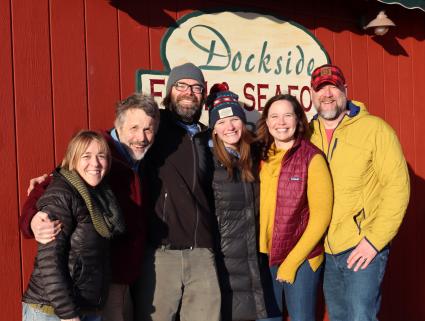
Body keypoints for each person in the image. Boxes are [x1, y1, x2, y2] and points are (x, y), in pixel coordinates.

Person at [19, 93, 160, 321]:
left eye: (148, 129)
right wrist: (32, 220)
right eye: (134, 128)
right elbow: (48, 187)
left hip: (112, 284)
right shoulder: (97, 152)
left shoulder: (147, 160)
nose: (141, 137)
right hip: (81, 291)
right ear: (119, 126)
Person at [309, 64, 410, 321]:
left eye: (333, 86)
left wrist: (374, 240)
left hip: (361, 245)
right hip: (325, 249)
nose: (328, 93)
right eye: (321, 88)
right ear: (312, 94)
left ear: (345, 89)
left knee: (360, 317)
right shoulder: (307, 134)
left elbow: (397, 187)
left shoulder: (375, 129)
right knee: (339, 317)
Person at [132, 62, 221, 321]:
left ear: (203, 96)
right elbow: (108, 147)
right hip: (162, 253)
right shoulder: (154, 127)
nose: (188, 92)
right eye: (181, 85)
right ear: (170, 90)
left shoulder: (210, 138)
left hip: (202, 253)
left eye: (196, 87)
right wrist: (56, 176)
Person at [22, 130, 125, 321]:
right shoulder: (61, 195)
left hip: (86, 307)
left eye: (101, 156)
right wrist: (68, 314)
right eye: (86, 156)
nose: (95, 163)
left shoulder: (100, 196)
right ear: (72, 159)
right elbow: (49, 262)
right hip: (53, 311)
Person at [206, 83, 280, 321]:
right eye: (221, 122)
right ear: (214, 129)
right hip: (227, 265)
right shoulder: (207, 162)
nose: (229, 127)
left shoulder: (256, 156)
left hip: (259, 262)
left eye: (234, 119)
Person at [255, 94, 333, 321]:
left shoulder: (312, 158)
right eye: (274, 116)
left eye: (287, 115)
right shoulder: (261, 156)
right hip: (265, 256)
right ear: (267, 122)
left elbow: (321, 217)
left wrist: (292, 262)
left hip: (301, 258)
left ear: (298, 120)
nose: (281, 122)